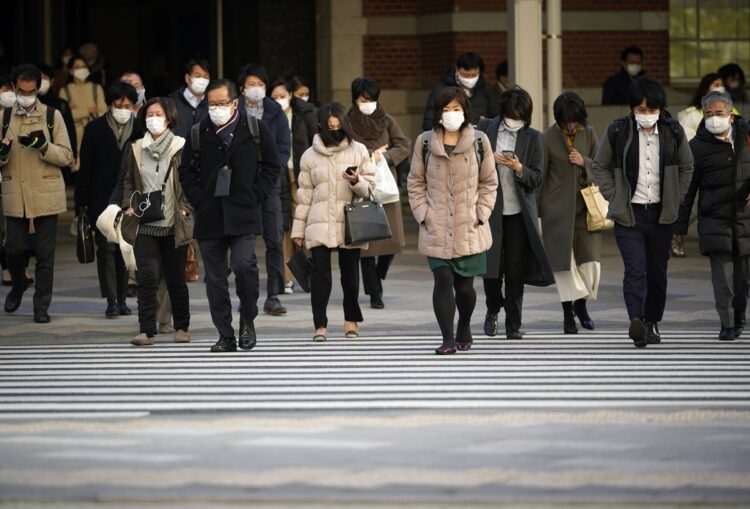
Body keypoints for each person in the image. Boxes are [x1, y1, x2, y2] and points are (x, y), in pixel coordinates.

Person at [179, 79, 281, 353]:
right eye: (211, 104)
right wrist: (199, 198)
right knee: (215, 278)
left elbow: (272, 165)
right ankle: (225, 334)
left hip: (244, 211)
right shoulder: (198, 132)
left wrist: (256, 194)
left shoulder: (254, 128)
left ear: (234, 102)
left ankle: (247, 321)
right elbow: (185, 171)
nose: (217, 109)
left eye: (222, 104)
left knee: (244, 266)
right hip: (210, 214)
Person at [592, 77, 694, 348]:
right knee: (635, 270)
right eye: (640, 110)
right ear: (632, 109)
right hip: (630, 214)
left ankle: (652, 321)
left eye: (651, 110)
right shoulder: (619, 131)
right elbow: (600, 166)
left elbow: (687, 167)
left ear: (660, 109)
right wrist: (613, 196)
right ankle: (636, 319)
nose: (646, 115)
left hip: (662, 214)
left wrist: (677, 196)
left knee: (657, 272)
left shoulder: (673, 132)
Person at [409, 86, 497, 354]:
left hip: (469, 226)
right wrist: (423, 214)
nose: (451, 114)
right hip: (436, 225)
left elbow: (489, 182)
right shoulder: (424, 142)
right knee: (443, 281)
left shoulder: (480, 141)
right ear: (438, 113)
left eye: (456, 109)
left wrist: (481, 213)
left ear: (465, 111)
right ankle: (448, 339)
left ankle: (464, 326)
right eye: (446, 109)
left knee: (466, 288)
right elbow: (415, 181)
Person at [292, 102, 376, 342]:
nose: (335, 131)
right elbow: (304, 196)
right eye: (331, 127)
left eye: (339, 127)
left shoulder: (358, 150)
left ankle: (351, 320)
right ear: (321, 126)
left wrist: (356, 180)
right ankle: (320, 324)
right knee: (320, 275)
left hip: (351, 222)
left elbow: (370, 189)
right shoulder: (309, 155)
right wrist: (298, 230)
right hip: (318, 222)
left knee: (349, 275)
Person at [0, 64, 74, 323]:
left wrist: (44, 147)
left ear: (38, 90)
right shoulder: (4, 117)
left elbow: (67, 156)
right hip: (14, 191)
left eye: (31, 91)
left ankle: (41, 306)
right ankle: (19, 284)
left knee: (45, 254)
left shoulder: (52, 115)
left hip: (46, 191)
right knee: (13, 249)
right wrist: (3, 152)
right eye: (21, 91)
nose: (26, 96)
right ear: (14, 88)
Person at [478, 86, 553, 340]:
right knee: (490, 267)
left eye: (520, 116)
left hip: (519, 214)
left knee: (515, 269)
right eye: (511, 115)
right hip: (490, 210)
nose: (515, 121)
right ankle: (492, 309)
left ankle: (513, 324)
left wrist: (519, 167)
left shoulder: (534, 137)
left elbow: (538, 177)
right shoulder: (486, 130)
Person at [675, 91, 750, 341]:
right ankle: (727, 324)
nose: (714, 118)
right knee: (723, 279)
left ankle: (739, 315)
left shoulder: (747, 137)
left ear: (731, 115)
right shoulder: (696, 147)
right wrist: (680, 228)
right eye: (709, 114)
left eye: (719, 113)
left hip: (745, 220)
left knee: (742, 280)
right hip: (715, 221)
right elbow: (688, 191)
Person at [120, 97, 193, 346]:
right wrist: (129, 203)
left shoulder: (182, 146)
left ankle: (181, 326)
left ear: (169, 118)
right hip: (145, 223)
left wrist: (187, 209)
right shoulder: (136, 148)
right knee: (146, 278)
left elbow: (192, 181)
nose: (153, 118)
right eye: (149, 114)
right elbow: (128, 180)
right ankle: (147, 330)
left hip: (174, 223)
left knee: (175, 279)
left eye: (158, 114)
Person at [346, 77, 411, 309]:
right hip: (359, 186)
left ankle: (379, 276)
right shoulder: (347, 122)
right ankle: (375, 293)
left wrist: (384, 157)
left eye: (372, 99)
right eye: (364, 99)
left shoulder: (387, 120)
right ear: (355, 99)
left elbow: (403, 144)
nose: (368, 103)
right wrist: (367, 157)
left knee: (390, 243)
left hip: (385, 187)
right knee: (365, 246)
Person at [76, 80, 138, 318]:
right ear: (110, 104)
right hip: (101, 199)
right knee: (105, 250)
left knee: (126, 249)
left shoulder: (140, 128)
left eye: (128, 104)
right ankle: (111, 299)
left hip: (131, 199)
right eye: (118, 104)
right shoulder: (95, 129)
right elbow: (86, 169)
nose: (123, 108)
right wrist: (82, 203)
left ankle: (123, 298)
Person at [540, 92, 601, 334]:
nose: (570, 125)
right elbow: (541, 176)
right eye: (565, 121)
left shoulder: (590, 133)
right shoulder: (546, 138)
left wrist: (583, 161)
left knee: (591, 263)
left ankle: (581, 304)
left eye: (574, 120)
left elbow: (601, 165)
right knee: (564, 266)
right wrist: (537, 211)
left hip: (586, 208)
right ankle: (568, 312)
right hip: (557, 211)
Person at [238, 63, 292, 315]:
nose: (256, 89)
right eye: (251, 84)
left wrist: (271, 174)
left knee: (273, 240)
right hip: (242, 187)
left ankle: (273, 295)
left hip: (270, 185)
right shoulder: (233, 109)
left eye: (260, 84)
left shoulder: (275, 111)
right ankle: (246, 295)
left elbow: (283, 148)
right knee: (243, 244)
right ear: (242, 88)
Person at [673, 73, 732, 258]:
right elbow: (684, 143)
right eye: (715, 84)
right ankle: (677, 235)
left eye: (721, 84)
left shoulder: (733, 111)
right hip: (697, 165)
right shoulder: (692, 115)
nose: (719, 87)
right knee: (689, 203)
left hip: (724, 167)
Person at [269, 78, 317, 294]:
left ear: (290, 95)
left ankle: (308, 273)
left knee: (304, 223)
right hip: (278, 174)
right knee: (284, 227)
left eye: (282, 95)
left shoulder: (304, 114)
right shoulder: (268, 116)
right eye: (274, 97)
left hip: (301, 174)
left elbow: (313, 141)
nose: (279, 100)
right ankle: (287, 277)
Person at [422, 52, 500, 130]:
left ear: (479, 72)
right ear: (457, 70)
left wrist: (486, 123)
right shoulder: (442, 89)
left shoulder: (486, 89)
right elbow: (429, 121)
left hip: (479, 137)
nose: (469, 79)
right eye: (465, 75)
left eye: (473, 75)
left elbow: (497, 118)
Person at [59, 54, 107, 167]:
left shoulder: (96, 88)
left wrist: (77, 110)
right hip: (75, 140)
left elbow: (102, 113)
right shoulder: (65, 91)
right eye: (77, 67)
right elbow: (66, 117)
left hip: (95, 137)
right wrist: (89, 110)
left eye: (84, 66)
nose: (82, 69)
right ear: (71, 71)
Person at [169, 58, 210, 139]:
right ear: (187, 78)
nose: (202, 80)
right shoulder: (172, 102)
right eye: (197, 76)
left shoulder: (212, 103)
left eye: (206, 77)